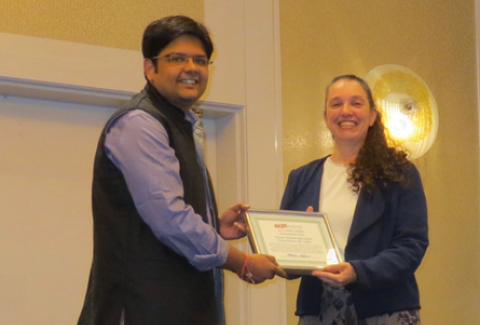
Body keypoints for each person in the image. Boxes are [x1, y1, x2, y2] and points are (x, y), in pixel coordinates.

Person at [77, 15, 286, 325]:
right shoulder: (140, 123)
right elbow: (171, 219)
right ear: (150, 67)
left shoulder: (180, 122)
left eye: (200, 60)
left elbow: (161, 217)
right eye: (177, 58)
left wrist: (213, 225)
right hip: (140, 309)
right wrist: (241, 262)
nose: (191, 68)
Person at [280, 75, 428, 325]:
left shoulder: (399, 173)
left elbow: (411, 245)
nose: (345, 111)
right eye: (336, 104)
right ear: (326, 116)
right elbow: (285, 257)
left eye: (356, 103)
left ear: (372, 116)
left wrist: (358, 272)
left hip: (385, 309)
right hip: (318, 310)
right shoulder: (301, 177)